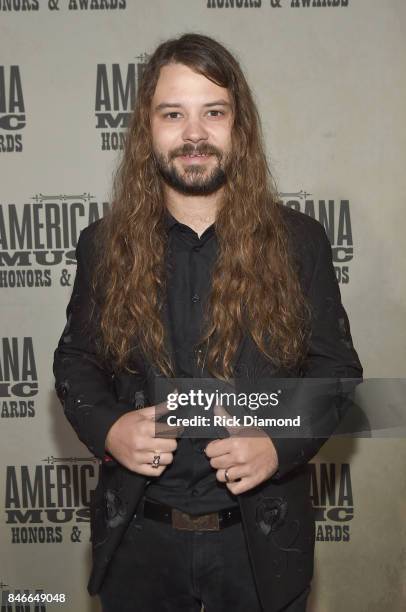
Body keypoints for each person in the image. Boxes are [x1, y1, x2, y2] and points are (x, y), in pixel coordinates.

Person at [53, 33, 363, 612]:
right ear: (148, 129)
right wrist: (110, 429)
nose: (194, 135)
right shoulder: (103, 245)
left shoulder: (299, 242)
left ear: (237, 127)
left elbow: (336, 372)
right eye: (174, 114)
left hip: (260, 548)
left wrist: (277, 441)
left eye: (213, 113)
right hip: (138, 547)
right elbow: (76, 361)